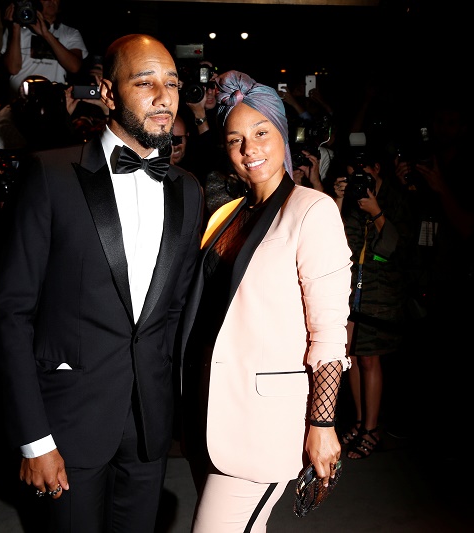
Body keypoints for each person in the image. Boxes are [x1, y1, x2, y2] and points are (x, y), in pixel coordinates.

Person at [0, 34, 204, 532]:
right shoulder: (51, 175)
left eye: (172, 82)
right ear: (108, 93)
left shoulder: (188, 191)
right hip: (66, 424)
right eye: (145, 81)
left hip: (150, 427)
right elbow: (12, 312)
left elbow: (173, 311)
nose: (163, 96)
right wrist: (34, 439)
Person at [179, 70, 352, 532]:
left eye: (261, 133)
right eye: (235, 139)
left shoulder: (313, 210)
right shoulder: (228, 213)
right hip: (211, 409)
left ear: (282, 134)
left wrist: (322, 425)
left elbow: (330, 331)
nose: (249, 149)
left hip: (266, 422)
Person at [332, 142, 415, 459]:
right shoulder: (353, 199)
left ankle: (372, 429)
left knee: (370, 359)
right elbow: (339, 241)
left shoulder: (396, 199)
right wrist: (341, 199)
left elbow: (397, 248)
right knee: (352, 356)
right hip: (355, 289)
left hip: (383, 293)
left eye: (362, 169)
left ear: (377, 168)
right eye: (352, 171)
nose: (357, 176)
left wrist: (376, 212)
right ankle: (359, 421)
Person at [0, 0, 87, 99]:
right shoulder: (15, 30)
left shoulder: (71, 33)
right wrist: (15, 26)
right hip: (19, 97)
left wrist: (46, 34)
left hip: (53, 99)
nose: (50, 1)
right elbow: (13, 69)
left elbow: (74, 67)